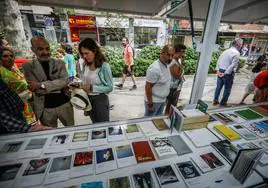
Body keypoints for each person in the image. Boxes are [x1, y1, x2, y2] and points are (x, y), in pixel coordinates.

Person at [22, 36, 74, 128]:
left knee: (72, 131)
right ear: (32, 49)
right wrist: (57, 86)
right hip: (45, 108)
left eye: (47, 48)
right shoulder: (28, 66)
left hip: (64, 104)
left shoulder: (59, 63)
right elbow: (36, 90)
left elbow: (65, 81)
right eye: (40, 49)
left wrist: (41, 85)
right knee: (50, 135)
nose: (45, 52)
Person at [77, 38, 113, 123]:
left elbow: (110, 87)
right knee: (94, 125)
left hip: (100, 100)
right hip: (87, 98)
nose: (84, 56)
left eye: (87, 53)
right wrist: (78, 85)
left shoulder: (104, 66)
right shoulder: (84, 64)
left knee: (103, 126)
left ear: (95, 51)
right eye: (82, 54)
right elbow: (84, 79)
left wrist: (92, 88)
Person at [0, 47, 37, 126]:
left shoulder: (14, 69)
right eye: (5, 56)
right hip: (14, 109)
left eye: (11, 56)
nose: (9, 58)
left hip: (27, 106)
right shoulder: (1, 72)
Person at [144, 45, 174, 116]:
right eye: (168, 55)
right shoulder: (154, 68)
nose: (170, 58)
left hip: (162, 101)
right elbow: (148, 87)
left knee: (157, 121)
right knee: (149, 123)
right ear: (161, 53)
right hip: (154, 102)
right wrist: (150, 105)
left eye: (172, 55)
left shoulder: (166, 65)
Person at [213, 38, 243, 106]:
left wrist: (218, 70)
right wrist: (225, 73)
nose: (241, 46)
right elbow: (232, 65)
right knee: (227, 88)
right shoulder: (237, 53)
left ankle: (215, 101)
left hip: (220, 70)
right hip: (228, 72)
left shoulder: (225, 51)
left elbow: (219, 60)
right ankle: (223, 103)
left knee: (218, 87)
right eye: (241, 44)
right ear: (238, 45)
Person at [165, 43, 186, 115]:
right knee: (171, 106)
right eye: (183, 52)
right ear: (180, 52)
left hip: (175, 87)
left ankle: (168, 117)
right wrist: (182, 63)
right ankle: (168, 118)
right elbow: (177, 75)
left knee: (171, 105)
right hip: (173, 88)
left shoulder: (177, 60)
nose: (184, 54)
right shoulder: (173, 62)